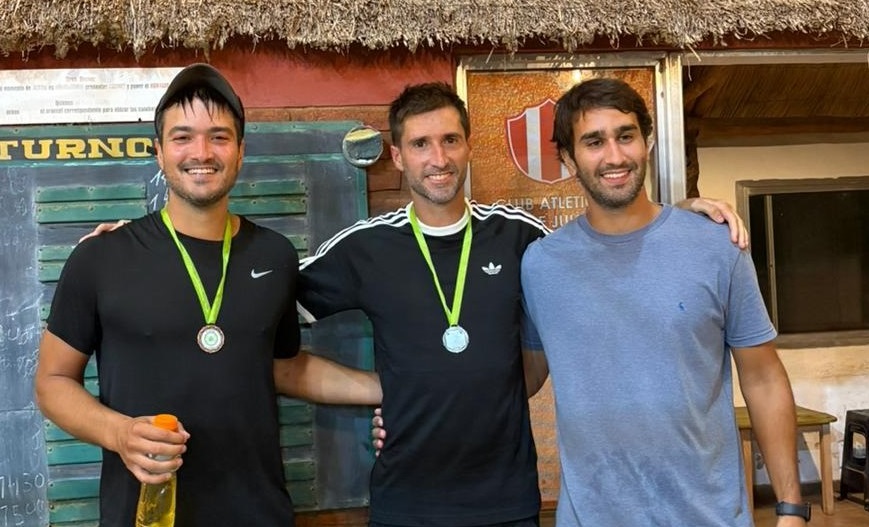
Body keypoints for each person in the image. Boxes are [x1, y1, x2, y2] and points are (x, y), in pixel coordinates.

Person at [299, 82, 748, 527]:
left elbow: (602, 248)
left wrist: (679, 216)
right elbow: (268, 324)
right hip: (404, 504)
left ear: (468, 147)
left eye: (450, 140)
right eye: (420, 144)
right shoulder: (364, 248)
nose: (438, 159)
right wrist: (387, 390)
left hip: (507, 502)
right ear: (398, 157)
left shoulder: (520, 237)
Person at [34, 63, 381, 527]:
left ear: (240, 151)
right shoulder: (102, 257)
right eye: (183, 137)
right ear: (159, 152)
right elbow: (52, 381)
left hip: (259, 513)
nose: (201, 152)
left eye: (219, 137)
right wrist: (119, 433)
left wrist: (392, 387)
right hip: (147, 514)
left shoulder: (275, 255)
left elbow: (281, 366)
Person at [519, 78, 807, 526]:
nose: (615, 156)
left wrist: (791, 508)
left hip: (708, 516)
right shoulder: (542, 265)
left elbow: (764, 378)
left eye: (626, 136)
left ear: (648, 143)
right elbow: (527, 374)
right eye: (594, 142)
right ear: (568, 159)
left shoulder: (717, 246)